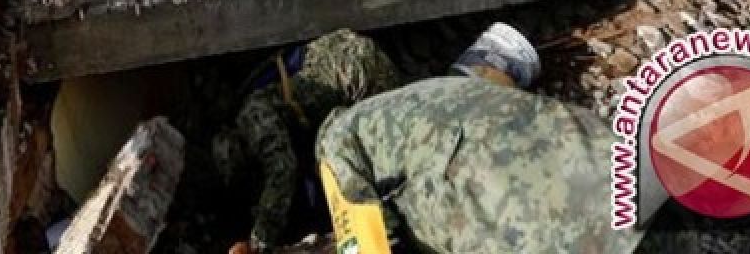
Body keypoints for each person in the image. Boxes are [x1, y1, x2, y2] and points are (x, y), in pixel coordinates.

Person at [315, 73, 694, 254]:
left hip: (489, 183)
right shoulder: (420, 91)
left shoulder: (333, 141)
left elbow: (363, 241)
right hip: (583, 147)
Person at [213, 29, 401, 254]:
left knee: (381, 170)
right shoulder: (255, 99)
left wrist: (260, 239)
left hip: (360, 76)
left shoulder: (254, 119)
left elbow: (283, 170)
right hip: (347, 49)